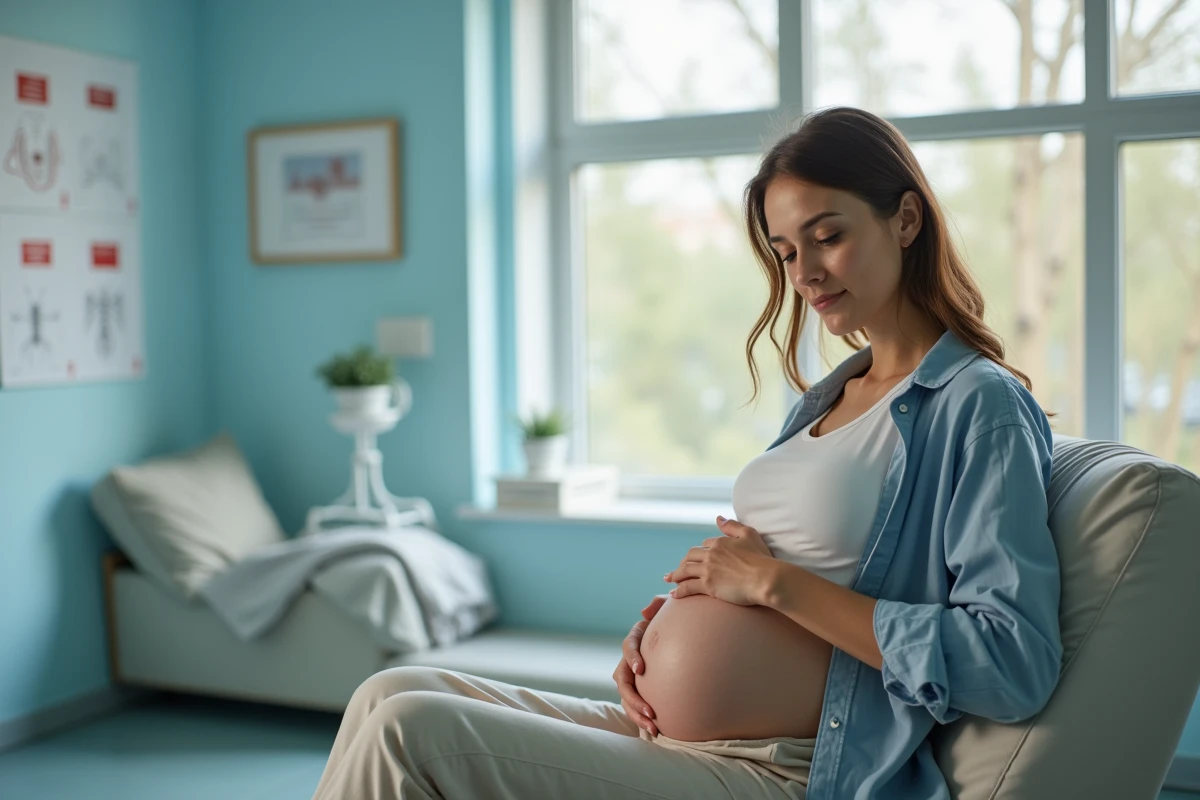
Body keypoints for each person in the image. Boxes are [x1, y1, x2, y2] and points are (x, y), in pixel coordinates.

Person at [310, 105, 1063, 800]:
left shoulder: (978, 405)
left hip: (795, 764)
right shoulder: (832, 395)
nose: (803, 274)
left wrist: (772, 587)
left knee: (407, 733)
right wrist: (662, 634)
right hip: (689, 732)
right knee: (387, 691)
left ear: (904, 219)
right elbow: (785, 567)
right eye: (786, 250)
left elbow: (1011, 663)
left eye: (827, 236)